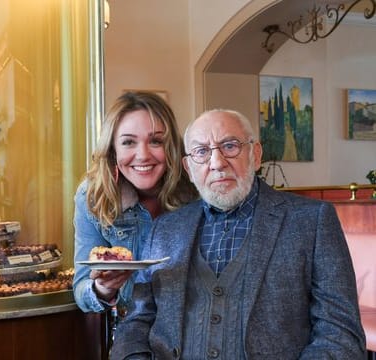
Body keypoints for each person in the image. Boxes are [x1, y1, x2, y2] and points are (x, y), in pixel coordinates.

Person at [111, 109, 366, 359]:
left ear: (255, 154)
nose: (217, 163)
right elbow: (137, 321)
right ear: (188, 168)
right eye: (201, 152)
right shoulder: (165, 229)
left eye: (230, 146)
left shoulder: (312, 220)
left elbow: (340, 331)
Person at [72, 91, 197, 313]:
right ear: (112, 150)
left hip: (193, 324)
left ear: (172, 147)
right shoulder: (93, 196)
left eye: (156, 141)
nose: (143, 155)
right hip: (131, 327)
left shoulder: (196, 190)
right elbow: (82, 289)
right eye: (128, 142)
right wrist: (103, 288)